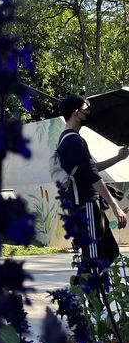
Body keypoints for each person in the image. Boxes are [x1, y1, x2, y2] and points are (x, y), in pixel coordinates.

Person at [56, 94, 128, 264]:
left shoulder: (71, 139)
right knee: (95, 258)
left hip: (90, 205)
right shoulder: (73, 141)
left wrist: (118, 158)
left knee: (110, 252)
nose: (89, 112)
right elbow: (93, 176)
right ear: (76, 113)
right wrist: (115, 206)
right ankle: (89, 289)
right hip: (85, 205)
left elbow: (90, 168)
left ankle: (94, 288)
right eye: (85, 109)